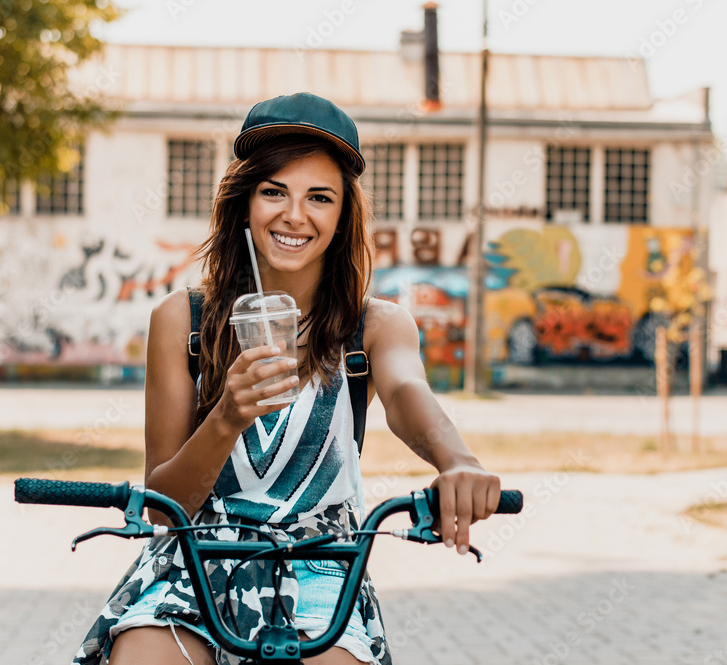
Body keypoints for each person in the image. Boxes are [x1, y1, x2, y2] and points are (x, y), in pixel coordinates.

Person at [72, 92, 502, 665]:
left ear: (344, 212)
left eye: (319, 198)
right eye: (274, 191)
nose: (294, 215)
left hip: (324, 564)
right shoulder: (184, 320)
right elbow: (162, 503)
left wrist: (458, 461)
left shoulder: (376, 325)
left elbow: (405, 393)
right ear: (245, 202)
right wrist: (226, 416)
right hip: (195, 560)